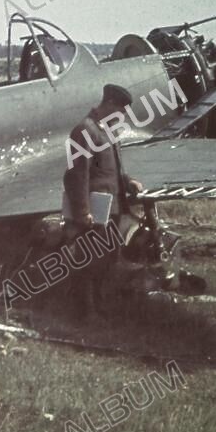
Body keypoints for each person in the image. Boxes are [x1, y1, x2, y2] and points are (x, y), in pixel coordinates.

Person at [62, 83, 144, 318]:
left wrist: (127, 181)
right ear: (109, 104)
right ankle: (84, 312)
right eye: (121, 110)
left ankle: (99, 305)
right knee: (89, 261)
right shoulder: (84, 131)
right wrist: (82, 211)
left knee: (107, 258)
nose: (123, 116)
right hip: (94, 210)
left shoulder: (107, 130)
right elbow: (77, 175)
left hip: (111, 207)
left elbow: (109, 169)